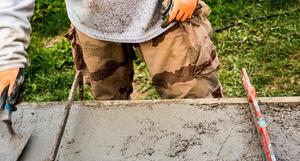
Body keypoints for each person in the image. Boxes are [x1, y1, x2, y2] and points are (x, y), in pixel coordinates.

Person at [0, 0, 223, 111]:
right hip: (93, 22)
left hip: (165, 16)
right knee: (109, 112)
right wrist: (9, 56)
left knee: (198, 109)